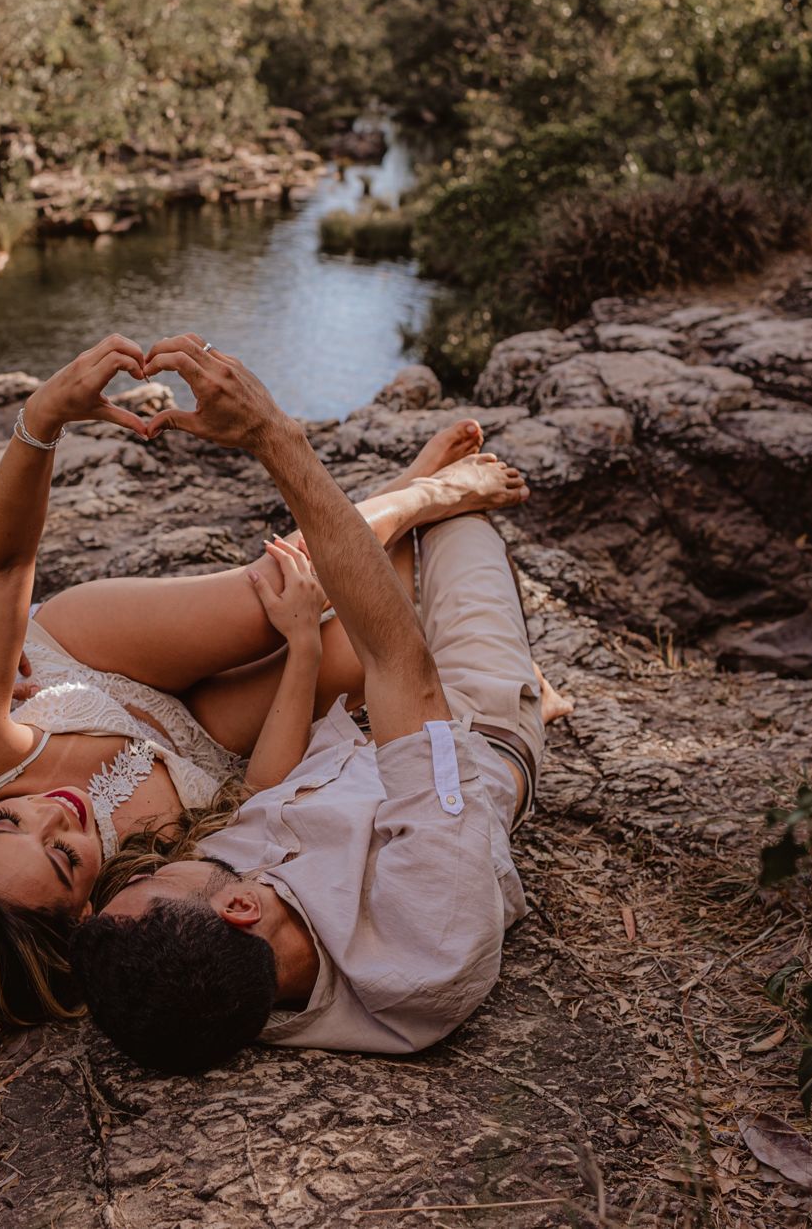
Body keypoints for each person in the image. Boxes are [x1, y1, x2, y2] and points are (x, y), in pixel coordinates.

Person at [0, 334, 530, 1025]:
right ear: (83, 911)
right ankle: (388, 513)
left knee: (265, 602)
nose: (58, 813)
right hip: (198, 736)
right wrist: (304, 659)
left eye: (9, 821)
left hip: (97, 664)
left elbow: (2, 569)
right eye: (61, 858)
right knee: (362, 638)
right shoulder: (143, 900)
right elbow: (258, 790)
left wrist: (43, 418)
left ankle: (419, 494)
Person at [72, 334, 544, 1073]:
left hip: (362, 721)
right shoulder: (428, 938)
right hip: (470, 721)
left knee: (315, 612)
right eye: (153, 881)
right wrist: (272, 434)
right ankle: (422, 513)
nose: (141, 871)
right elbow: (403, 669)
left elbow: (264, 792)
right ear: (239, 911)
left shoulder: (209, 971)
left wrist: (305, 650)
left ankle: (398, 507)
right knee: (461, 519)